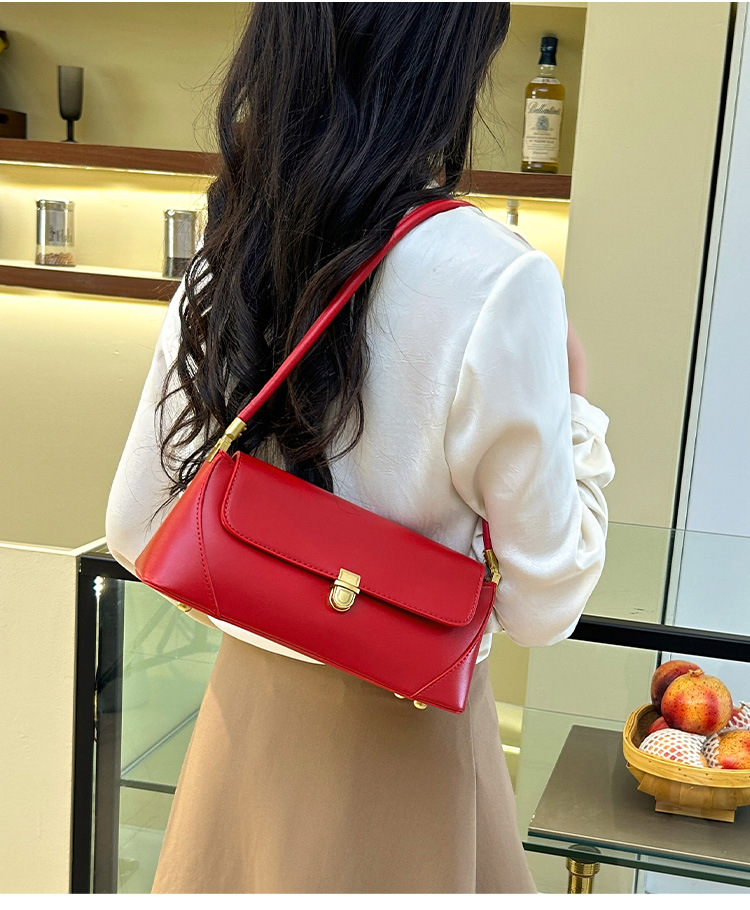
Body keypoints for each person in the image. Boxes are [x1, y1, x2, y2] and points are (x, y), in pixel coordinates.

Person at [105, 2, 615, 895]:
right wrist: (579, 415)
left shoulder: (238, 233)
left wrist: (277, 586)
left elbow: (134, 526)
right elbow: (545, 604)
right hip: (409, 750)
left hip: (241, 737)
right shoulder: (500, 276)